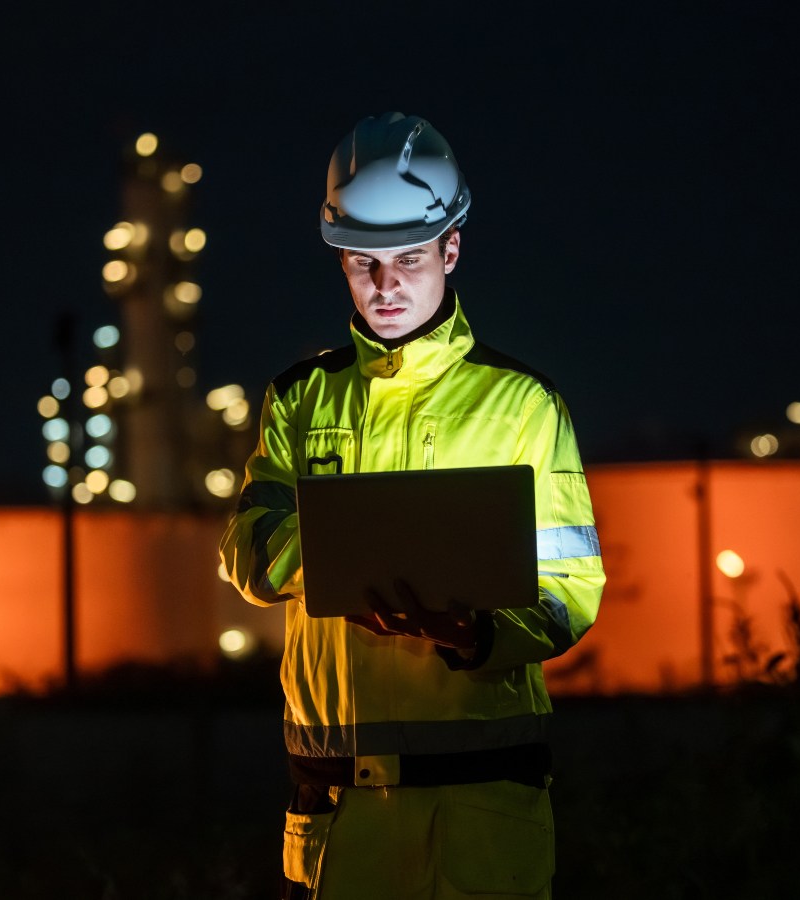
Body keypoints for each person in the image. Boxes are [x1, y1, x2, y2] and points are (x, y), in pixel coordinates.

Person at [219, 112, 605, 900]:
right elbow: (247, 552)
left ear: (451, 249)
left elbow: (572, 592)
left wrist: (476, 637)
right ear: (338, 258)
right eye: (363, 262)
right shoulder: (299, 399)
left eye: (409, 259)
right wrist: (335, 561)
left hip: (483, 808)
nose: (386, 284)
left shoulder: (522, 404)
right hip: (340, 807)